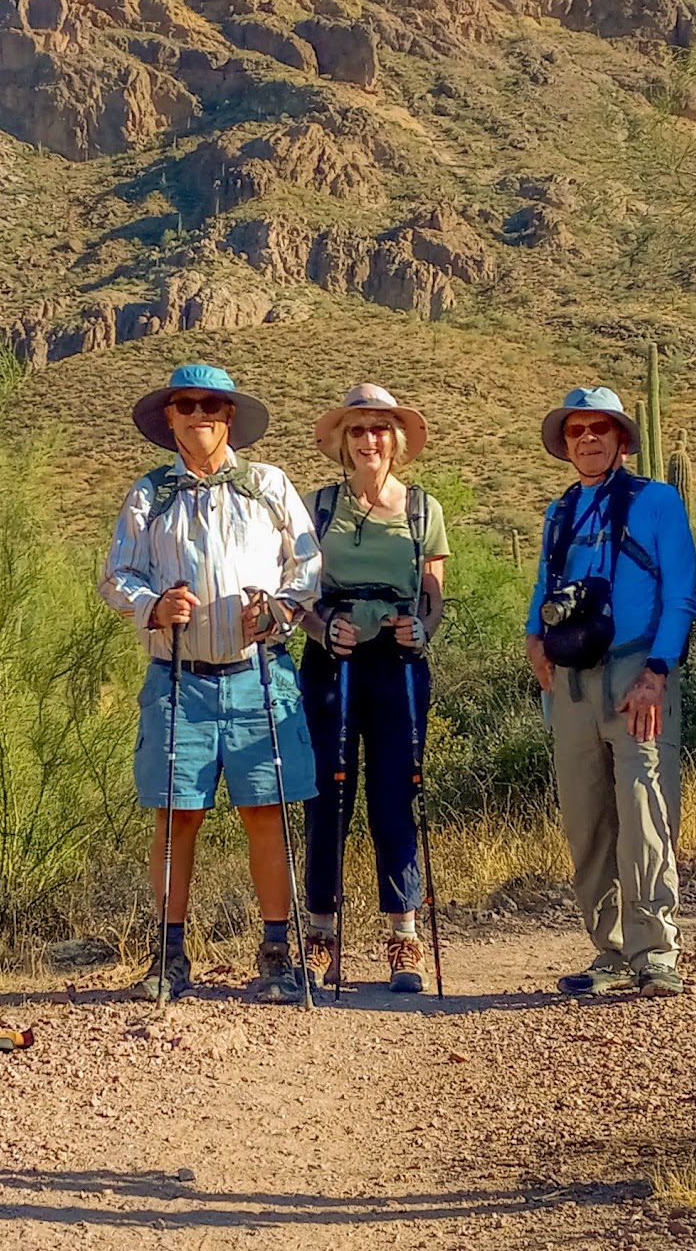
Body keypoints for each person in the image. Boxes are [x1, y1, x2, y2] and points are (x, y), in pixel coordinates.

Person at [100, 363, 321, 1005]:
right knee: (177, 817)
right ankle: (168, 957)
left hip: (259, 673)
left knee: (265, 813)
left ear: (230, 417)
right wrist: (153, 606)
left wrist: (278, 609)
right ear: (169, 417)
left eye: (213, 405)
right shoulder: (149, 494)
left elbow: (306, 565)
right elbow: (118, 575)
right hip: (179, 678)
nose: (200, 415)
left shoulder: (269, 484)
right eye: (186, 404)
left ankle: (277, 954)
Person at [527, 386, 696, 998]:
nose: (589, 439)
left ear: (623, 439)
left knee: (644, 809)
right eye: (577, 431)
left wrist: (657, 672)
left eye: (601, 429)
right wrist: (533, 641)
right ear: (567, 444)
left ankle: (656, 948)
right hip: (571, 682)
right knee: (586, 818)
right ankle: (611, 950)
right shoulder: (560, 510)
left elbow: (681, 593)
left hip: (635, 675)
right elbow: (545, 586)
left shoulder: (657, 501)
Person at [296, 384, 450, 994]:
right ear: (341, 441)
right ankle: (321, 934)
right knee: (327, 795)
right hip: (330, 661)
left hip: (398, 664)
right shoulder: (318, 506)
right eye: (357, 431)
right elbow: (299, 590)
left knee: (396, 797)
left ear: (397, 440)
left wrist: (423, 630)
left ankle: (403, 937)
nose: (369, 441)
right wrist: (317, 625)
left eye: (380, 430)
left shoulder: (422, 509)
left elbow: (434, 593)